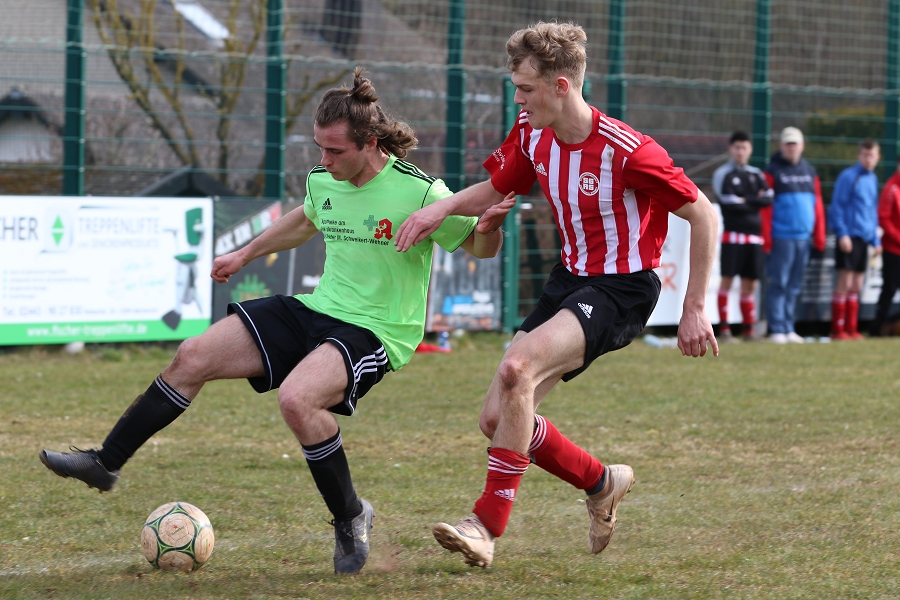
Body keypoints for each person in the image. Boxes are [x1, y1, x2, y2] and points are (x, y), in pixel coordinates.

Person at [38, 68, 512, 576]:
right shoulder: (323, 178)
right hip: (318, 307)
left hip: (377, 330)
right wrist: (244, 254)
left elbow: (480, 248)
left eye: (335, 152)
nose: (323, 161)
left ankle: (350, 516)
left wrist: (489, 229)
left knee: (297, 399)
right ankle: (105, 462)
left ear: (370, 143)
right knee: (192, 355)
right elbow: (305, 219)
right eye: (319, 149)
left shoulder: (421, 192)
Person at [394, 21, 719, 568]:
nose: (516, 99)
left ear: (562, 85)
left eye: (524, 88)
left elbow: (703, 214)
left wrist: (693, 307)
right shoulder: (532, 131)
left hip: (622, 288)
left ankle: (485, 526)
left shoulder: (629, 151)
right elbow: (499, 188)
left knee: (517, 368)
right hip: (569, 281)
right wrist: (441, 207)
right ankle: (601, 481)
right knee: (497, 420)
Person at [762, 127, 826, 344]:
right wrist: (767, 237)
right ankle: (777, 328)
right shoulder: (772, 171)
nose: (791, 147)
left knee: (795, 285)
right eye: (788, 143)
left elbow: (817, 204)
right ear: (782, 146)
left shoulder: (810, 171)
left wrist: (819, 234)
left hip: (804, 237)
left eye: (795, 143)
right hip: (782, 236)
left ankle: (789, 327)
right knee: (779, 283)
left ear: (802, 145)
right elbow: (766, 209)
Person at [712, 130, 773, 341]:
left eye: (744, 147)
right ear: (731, 149)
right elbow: (728, 200)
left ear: (750, 150)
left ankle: (748, 331)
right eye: (737, 147)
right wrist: (753, 200)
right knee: (727, 281)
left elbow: (769, 198)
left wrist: (744, 200)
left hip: (754, 238)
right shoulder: (723, 174)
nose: (740, 151)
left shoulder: (757, 174)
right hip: (733, 236)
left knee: (750, 284)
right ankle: (724, 330)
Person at [828, 139, 881, 340]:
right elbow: (838, 207)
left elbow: (871, 211)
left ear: (877, 157)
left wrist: (876, 240)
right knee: (844, 282)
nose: (868, 159)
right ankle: (837, 330)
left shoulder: (873, 179)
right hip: (849, 236)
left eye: (872, 155)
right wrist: (842, 234)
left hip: (865, 238)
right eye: (865, 155)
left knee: (857, 285)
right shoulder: (849, 176)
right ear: (859, 156)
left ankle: (852, 328)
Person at [871, 155, 900, 336]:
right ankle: (878, 328)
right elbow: (884, 218)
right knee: (889, 290)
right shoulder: (891, 187)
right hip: (893, 250)